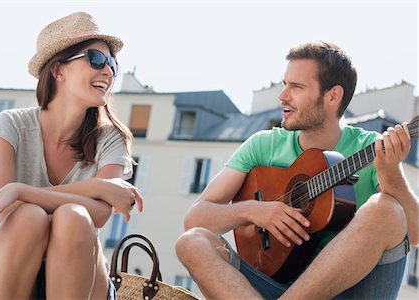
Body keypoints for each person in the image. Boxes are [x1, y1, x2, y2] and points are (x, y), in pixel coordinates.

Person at [176, 41, 418, 299]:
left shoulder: (371, 148)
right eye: (285, 85)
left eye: (297, 87)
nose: (283, 96)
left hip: (353, 292)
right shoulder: (263, 145)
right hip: (272, 286)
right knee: (191, 241)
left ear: (333, 96)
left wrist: (391, 173)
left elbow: (413, 234)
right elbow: (195, 219)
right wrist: (255, 210)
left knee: (387, 208)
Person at [0, 12, 143, 299]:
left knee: (75, 217)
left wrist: (20, 190)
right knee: (28, 216)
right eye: (97, 60)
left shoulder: (112, 137)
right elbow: (4, 207)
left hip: (83, 279)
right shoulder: (12, 124)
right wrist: (96, 188)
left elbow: (99, 214)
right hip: (13, 269)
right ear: (58, 70)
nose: (109, 71)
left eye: (112, 64)